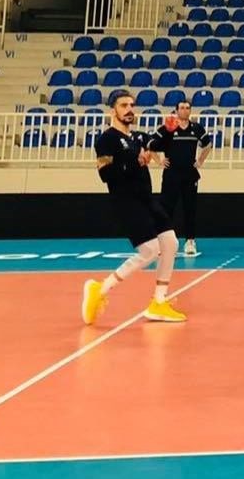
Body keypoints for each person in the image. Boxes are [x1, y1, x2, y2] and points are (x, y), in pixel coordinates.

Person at [81, 91, 186, 325]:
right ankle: (100, 289)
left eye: (131, 105)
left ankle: (159, 302)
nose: (129, 109)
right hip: (126, 202)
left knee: (170, 243)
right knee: (150, 251)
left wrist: (169, 130)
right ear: (113, 111)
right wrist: (133, 160)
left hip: (147, 199)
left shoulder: (137, 136)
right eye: (123, 105)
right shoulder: (106, 140)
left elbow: (155, 143)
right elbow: (106, 174)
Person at [149, 100, 212, 258]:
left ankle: (190, 241)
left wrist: (200, 160)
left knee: (190, 208)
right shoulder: (168, 128)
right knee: (166, 209)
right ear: (176, 110)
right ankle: (164, 243)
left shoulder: (196, 128)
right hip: (171, 175)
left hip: (190, 175)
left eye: (187, 108)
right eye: (182, 108)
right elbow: (150, 144)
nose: (185, 110)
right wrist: (159, 161)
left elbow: (208, 144)